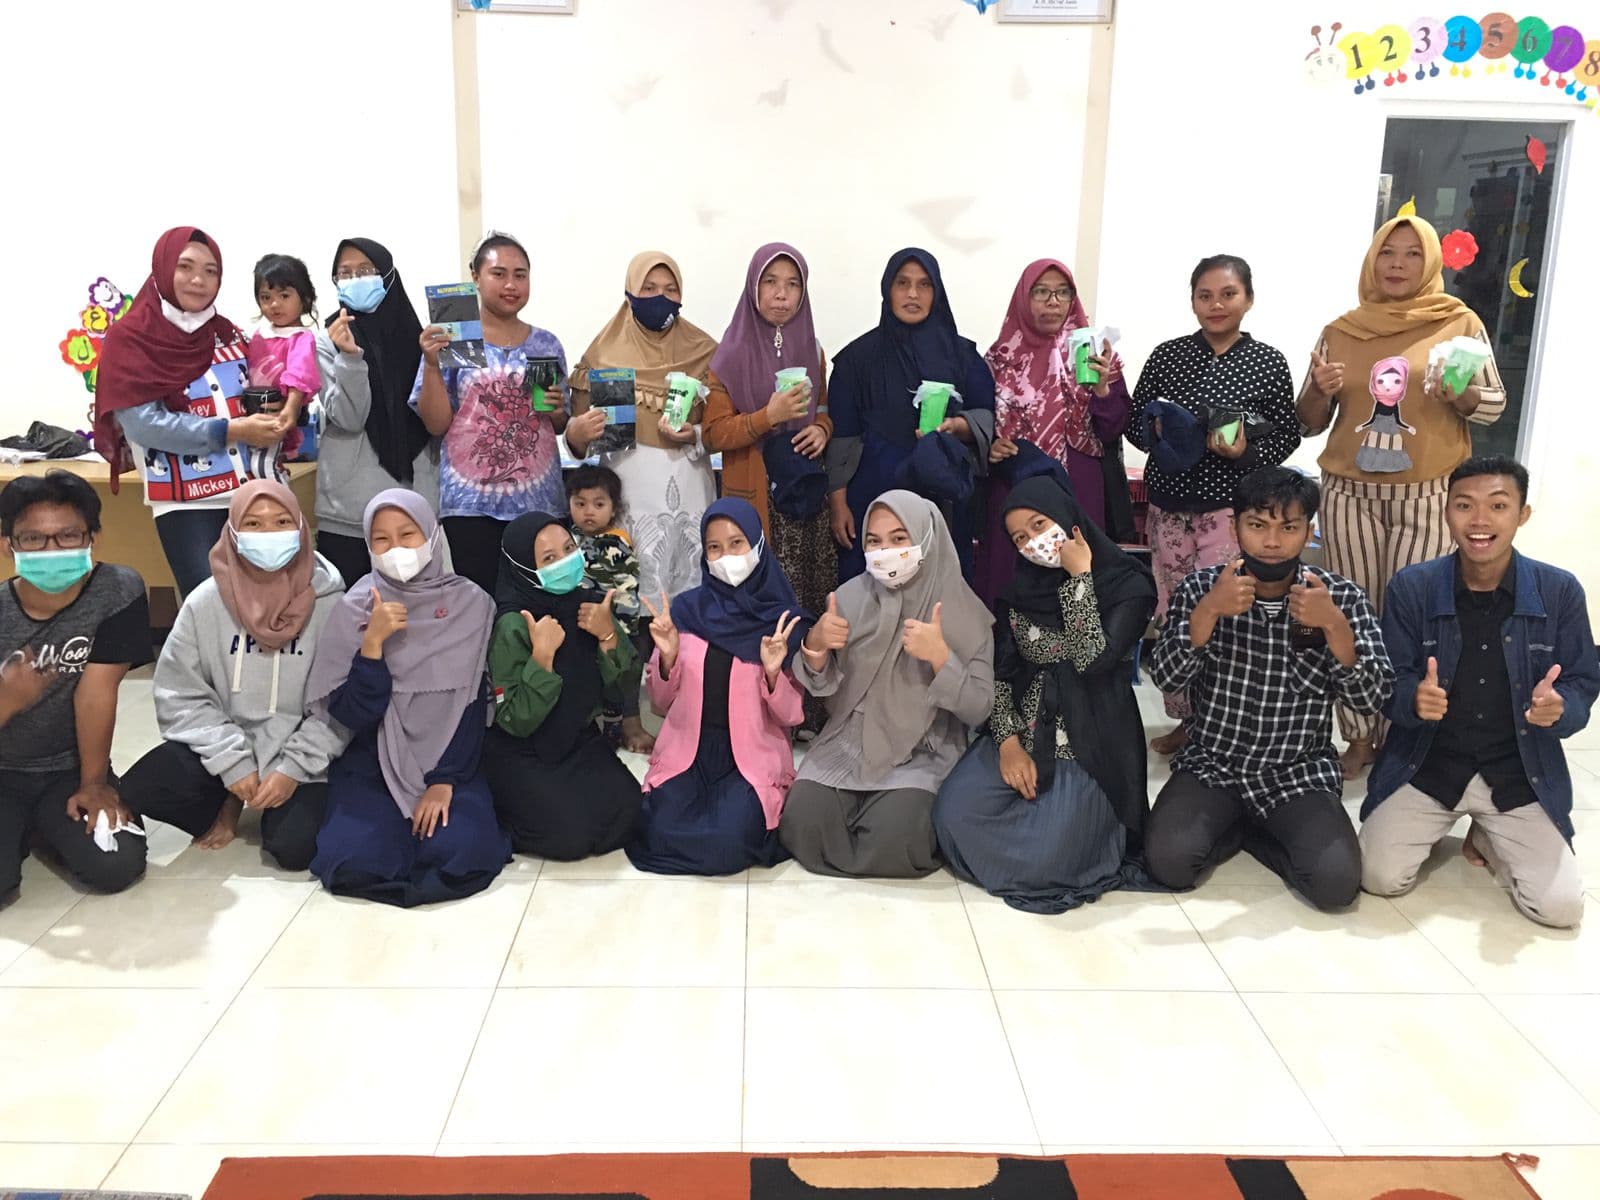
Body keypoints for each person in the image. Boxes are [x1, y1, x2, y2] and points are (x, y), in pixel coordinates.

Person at [1297, 215, 1506, 780]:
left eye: (1413, 254)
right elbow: (1308, 422)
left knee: (1413, 618)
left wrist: (1461, 395)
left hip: (1429, 493)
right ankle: (1359, 736)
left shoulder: (1458, 323)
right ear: (1372, 259)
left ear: (1430, 262)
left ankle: (1405, 738)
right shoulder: (1341, 329)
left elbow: (1492, 406)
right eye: (1388, 252)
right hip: (1348, 494)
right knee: (1351, 616)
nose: (1397, 264)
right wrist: (1318, 389)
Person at [1360, 457, 1596, 928]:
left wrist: (1560, 707)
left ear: (1522, 514)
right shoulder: (1412, 587)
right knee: (1378, 877)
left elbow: (1583, 681)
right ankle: (1446, 824)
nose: (1480, 520)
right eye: (1465, 505)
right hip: (1429, 765)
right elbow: (1389, 680)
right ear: (1446, 511)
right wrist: (1413, 699)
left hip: (1517, 771)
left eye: (1498, 506)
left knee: (1561, 910)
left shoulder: (1559, 590)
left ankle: (1488, 833)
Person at [1143, 468, 1392, 911]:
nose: (1272, 542)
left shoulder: (1341, 597)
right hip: (1213, 763)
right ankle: (1240, 825)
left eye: (1289, 528)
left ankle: (1255, 830)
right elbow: (1167, 678)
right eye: (1257, 525)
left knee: (1335, 885)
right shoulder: (1202, 588)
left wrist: (1335, 628)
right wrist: (1208, 613)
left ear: (1309, 532)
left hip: (1297, 771)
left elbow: (1370, 698)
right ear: (1235, 527)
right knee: (1169, 864)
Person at [933, 476, 1158, 912]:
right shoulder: (1019, 594)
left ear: (1068, 518)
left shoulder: (1128, 585)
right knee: (953, 814)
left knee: (1046, 862)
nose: (1033, 542)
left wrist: (1080, 578)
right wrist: (1008, 744)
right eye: (1020, 537)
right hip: (1026, 724)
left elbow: (1091, 660)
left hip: (1091, 737)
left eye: (1039, 525)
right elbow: (1002, 675)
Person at [119, 482, 346, 868]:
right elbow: (181, 693)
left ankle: (270, 798)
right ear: (233, 531)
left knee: (295, 849)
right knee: (143, 786)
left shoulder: (331, 603)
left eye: (282, 522)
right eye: (253, 523)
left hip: (298, 752)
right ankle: (227, 801)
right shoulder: (205, 601)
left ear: (302, 527)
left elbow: (337, 703)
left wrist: (293, 768)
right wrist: (233, 763)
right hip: (226, 743)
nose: (269, 534)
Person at [1126, 255, 1300, 756]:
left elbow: (1287, 435)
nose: (1216, 305)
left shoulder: (1267, 361)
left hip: (1231, 509)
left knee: (1226, 612)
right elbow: (1135, 423)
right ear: (1193, 301)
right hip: (1169, 506)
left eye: (1228, 294)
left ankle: (1222, 723)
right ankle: (1186, 720)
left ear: (1248, 299)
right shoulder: (1168, 356)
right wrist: (1161, 433)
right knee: (1174, 611)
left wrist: (1245, 452)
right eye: (1205, 295)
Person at [306, 490, 509, 906]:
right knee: (354, 861)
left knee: (462, 852)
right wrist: (372, 645)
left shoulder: (472, 605)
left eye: (407, 534)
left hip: (451, 761)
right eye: (381, 539)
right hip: (373, 762)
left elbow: (474, 706)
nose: (395, 548)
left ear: (432, 537)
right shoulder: (355, 608)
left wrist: (444, 780)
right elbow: (350, 715)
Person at [780, 490, 993, 878]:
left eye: (899, 538)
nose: (886, 552)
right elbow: (823, 690)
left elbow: (980, 708)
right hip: (850, 738)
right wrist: (815, 648)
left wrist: (941, 659)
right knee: (803, 821)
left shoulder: (964, 611)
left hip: (923, 746)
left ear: (926, 538)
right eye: (874, 541)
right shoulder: (850, 597)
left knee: (899, 836)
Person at [93, 227, 290, 595]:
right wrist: (232, 431)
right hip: (187, 503)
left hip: (256, 493)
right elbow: (144, 426)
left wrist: (280, 404)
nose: (198, 280)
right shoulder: (131, 340)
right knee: (210, 605)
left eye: (210, 271)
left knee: (272, 600)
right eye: (185, 267)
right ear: (163, 268)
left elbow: (258, 389)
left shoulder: (227, 334)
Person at [627, 499, 810, 875]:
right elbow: (660, 703)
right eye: (715, 547)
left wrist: (773, 674)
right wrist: (668, 658)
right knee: (658, 829)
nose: (726, 556)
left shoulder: (781, 621)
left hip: (750, 755)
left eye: (737, 543)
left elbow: (791, 715)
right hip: (689, 750)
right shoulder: (686, 611)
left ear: (758, 544)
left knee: (727, 840)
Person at [704, 244, 836, 734]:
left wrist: (821, 428)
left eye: (792, 284)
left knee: (807, 602)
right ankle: (760, 716)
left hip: (804, 501)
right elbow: (714, 434)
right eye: (771, 282)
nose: (782, 295)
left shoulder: (813, 350)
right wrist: (768, 417)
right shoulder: (728, 355)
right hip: (756, 502)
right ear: (753, 288)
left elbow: (823, 409)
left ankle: (809, 713)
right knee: (761, 608)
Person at [0, 472, 149, 898]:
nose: (52, 550)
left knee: (115, 865)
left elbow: (96, 693)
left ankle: (41, 824)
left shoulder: (118, 590)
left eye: (68, 536)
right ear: (8, 545)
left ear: (92, 538)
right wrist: (8, 699)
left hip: (69, 768)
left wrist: (94, 784)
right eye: (33, 539)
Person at [411, 232, 570, 594]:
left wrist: (558, 409)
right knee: (480, 605)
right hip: (471, 506)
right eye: (499, 274)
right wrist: (432, 364)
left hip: (539, 502)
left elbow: (559, 423)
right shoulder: (451, 339)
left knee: (541, 604)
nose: (511, 284)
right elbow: (436, 424)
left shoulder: (546, 343)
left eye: (520, 275)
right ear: (476, 277)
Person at [825, 248, 996, 582]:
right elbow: (843, 436)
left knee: (940, 588)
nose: (913, 294)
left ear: (937, 292)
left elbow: (986, 415)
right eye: (902, 283)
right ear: (888, 289)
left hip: (941, 492)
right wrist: (838, 504)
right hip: (873, 494)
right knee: (872, 585)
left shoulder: (962, 355)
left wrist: (958, 426)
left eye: (924, 284)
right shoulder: (856, 358)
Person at [483, 512, 642, 861]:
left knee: (632, 813)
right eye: (549, 558)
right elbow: (515, 720)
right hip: (523, 752)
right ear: (524, 567)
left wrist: (608, 635)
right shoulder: (513, 623)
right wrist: (541, 657)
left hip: (577, 741)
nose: (565, 562)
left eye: (569, 549)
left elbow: (620, 691)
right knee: (570, 839)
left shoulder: (590, 604)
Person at [564, 251, 720, 604]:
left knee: (689, 597)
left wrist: (695, 434)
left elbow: (722, 427)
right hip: (627, 490)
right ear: (630, 292)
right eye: (648, 288)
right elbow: (577, 440)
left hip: (689, 485)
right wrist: (577, 433)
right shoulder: (601, 355)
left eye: (670, 289)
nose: (660, 297)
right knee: (629, 598)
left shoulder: (707, 352)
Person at [979, 259, 1132, 604]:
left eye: (1063, 293)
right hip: (1016, 483)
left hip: (1078, 483)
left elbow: (1113, 429)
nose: (1054, 302)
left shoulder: (1095, 353)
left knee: (1077, 576)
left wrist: (1103, 388)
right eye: (1042, 292)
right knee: (1011, 579)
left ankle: (1082, 637)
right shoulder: (1000, 358)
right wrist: (991, 447)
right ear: (1023, 298)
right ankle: (1009, 640)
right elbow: (980, 425)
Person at [315, 237, 438, 588]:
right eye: (345, 273)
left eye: (366, 270)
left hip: (415, 510)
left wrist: (432, 361)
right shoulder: (326, 341)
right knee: (350, 613)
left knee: (418, 610)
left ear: (388, 275)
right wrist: (350, 357)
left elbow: (436, 422)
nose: (355, 280)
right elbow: (349, 418)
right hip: (348, 515)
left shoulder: (421, 340)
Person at [566, 464, 651, 753]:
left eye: (598, 504)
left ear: (614, 508)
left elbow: (627, 588)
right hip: (578, 624)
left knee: (614, 681)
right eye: (580, 504)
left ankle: (615, 733)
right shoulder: (566, 540)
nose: (588, 512)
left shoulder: (617, 544)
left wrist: (622, 631)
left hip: (612, 627)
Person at [244, 253, 321, 451]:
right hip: (250, 416)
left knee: (271, 458)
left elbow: (299, 374)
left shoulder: (301, 338)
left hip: (279, 416)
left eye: (284, 296)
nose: (274, 304)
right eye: (266, 297)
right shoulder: (259, 335)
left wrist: (291, 408)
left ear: (305, 298)